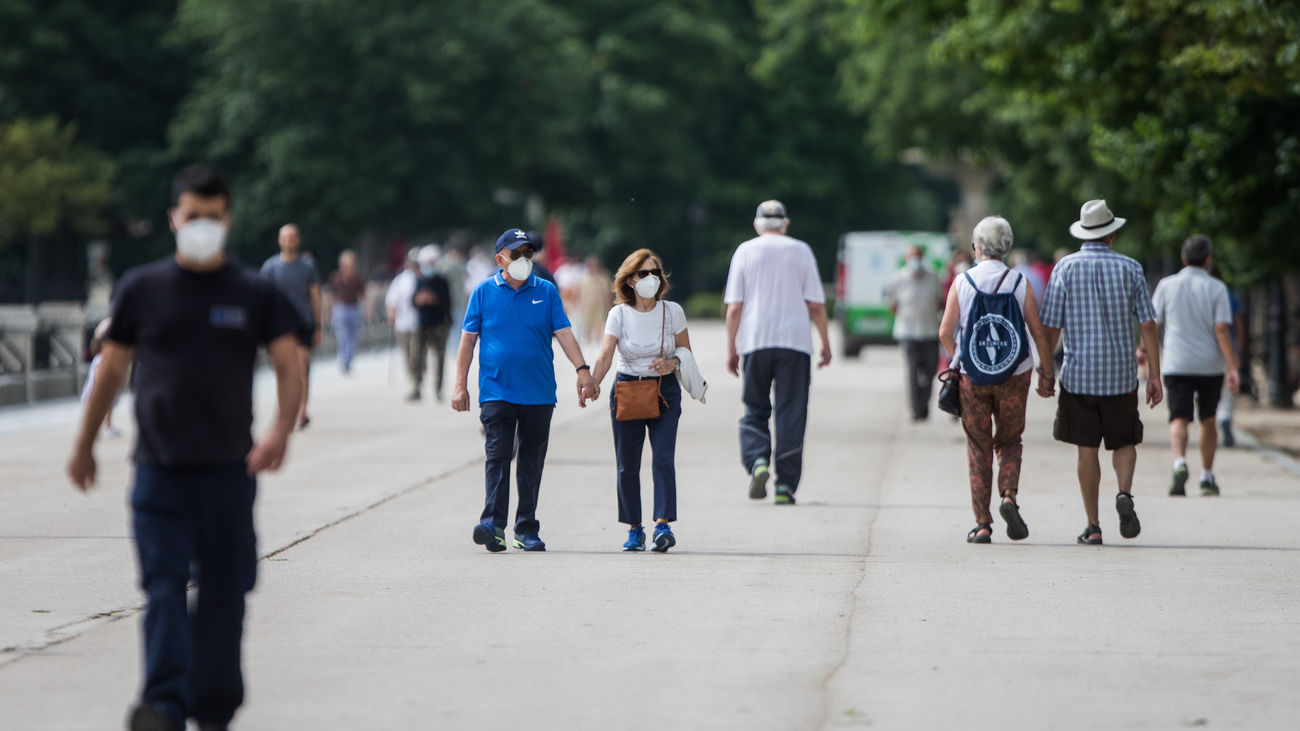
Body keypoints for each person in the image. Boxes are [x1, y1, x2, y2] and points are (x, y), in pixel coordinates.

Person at [66, 164, 304, 731]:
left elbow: (288, 363)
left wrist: (280, 431)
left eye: (212, 217)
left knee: (224, 593)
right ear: (174, 218)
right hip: (159, 470)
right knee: (164, 587)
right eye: (193, 215)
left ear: (229, 219)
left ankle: (214, 706)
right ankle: (164, 706)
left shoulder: (254, 292)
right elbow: (111, 370)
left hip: (228, 471)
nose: (203, 225)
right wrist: (84, 443)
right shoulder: (141, 288)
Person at [451, 228, 598, 552]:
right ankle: (492, 525)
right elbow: (467, 341)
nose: (523, 259)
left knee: (531, 463)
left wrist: (583, 370)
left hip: (538, 392)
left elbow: (564, 333)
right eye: (516, 254)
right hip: (496, 390)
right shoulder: (483, 292)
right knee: (498, 456)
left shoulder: (546, 290)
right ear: (500, 259)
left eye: (528, 254)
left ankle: (526, 528)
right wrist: (460, 385)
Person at [1040, 199, 1163, 545]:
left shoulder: (1065, 268)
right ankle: (1124, 493)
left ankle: (1093, 525)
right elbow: (1148, 325)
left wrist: (1046, 371)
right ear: (1111, 235)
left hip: (1079, 376)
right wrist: (1155, 375)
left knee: (1086, 449)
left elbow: (1051, 326)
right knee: (1124, 441)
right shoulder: (1131, 268)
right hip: (1121, 375)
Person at [939, 216, 1057, 543]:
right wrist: (1047, 373)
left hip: (972, 378)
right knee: (1009, 440)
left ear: (977, 247)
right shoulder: (1019, 282)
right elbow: (1038, 332)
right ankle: (1008, 496)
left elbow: (945, 332)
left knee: (978, 446)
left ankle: (982, 524)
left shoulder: (963, 281)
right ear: (1006, 247)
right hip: (1015, 374)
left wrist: (960, 358)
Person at [724, 200, 832, 505]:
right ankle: (785, 486)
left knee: (755, 407)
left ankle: (757, 460)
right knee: (792, 412)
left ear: (756, 225)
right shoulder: (801, 250)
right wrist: (825, 342)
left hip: (755, 340)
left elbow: (735, 308)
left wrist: (731, 348)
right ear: (785, 224)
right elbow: (816, 305)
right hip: (794, 342)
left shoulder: (745, 251)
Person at [590, 249, 694, 552]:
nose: (651, 278)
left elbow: (685, 352)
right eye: (643, 273)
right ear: (630, 280)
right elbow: (605, 354)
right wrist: (592, 382)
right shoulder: (619, 314)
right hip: (628, 390)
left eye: (655, 272)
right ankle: (634, 529)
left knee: (663, 458)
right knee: (627, 465)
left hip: (664, 391)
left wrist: (671, 363)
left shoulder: (672, 311)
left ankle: (663, 525)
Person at [1151, 235, 1240, 496]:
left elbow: (1152, 323)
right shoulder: (1217, 288)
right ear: (1208, 259)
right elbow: (1222, 329)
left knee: (1178, 418)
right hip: (1210, 365)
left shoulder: (1166, 285)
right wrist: (1232, 367)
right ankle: (1207, 476)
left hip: (1177, 362)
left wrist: (1143, 350)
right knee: (1209, 419)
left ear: (1183, 258)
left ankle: (1179, 462)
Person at [260, 223, 321, 428]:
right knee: (282, 371)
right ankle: (285, 410)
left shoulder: (307, 267)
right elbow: (262, 297)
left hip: (304, 323)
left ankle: (302, 411)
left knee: (302, 369)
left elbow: (315, 297)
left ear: (299, 239)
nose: (290, 240)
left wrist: (318, 326)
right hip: (279, 325)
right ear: (280, 241)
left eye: (293, 236)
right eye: (286, 237)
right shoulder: (270, 268)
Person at [886, 244, 944, 421]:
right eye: (912, 257)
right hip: (908, 332)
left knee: (930, 372)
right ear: (906, 259)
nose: (915, 260)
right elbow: (892, 304)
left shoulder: (933, 277)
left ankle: (924, 403)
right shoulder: (898, 278)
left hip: (929, 331)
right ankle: (916, 409)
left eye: (918, 256)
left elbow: (940, 302)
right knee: (912, 372)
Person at [412, 244, 452, 402]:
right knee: (417, 357)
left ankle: (438, 389)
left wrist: (435, 299)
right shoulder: (419, 280)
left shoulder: (442, 281)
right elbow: (412, 301)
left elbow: (448, 302)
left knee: (439, 358)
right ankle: (417, 386)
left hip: (439, 324)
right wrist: (419, 300)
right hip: (422, 323)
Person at [385, 248, 421, 398]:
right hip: (402, 324)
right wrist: (391, 315)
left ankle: (417, 381)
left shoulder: (421, 279)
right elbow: (391, 300)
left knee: (416, 354)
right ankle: (414, 380)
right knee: (407, 355)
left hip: (418, 323)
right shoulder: (400, 280)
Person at [81, 317, 122, 437]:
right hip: (100, 388)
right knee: (97, 408)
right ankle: (94, 429)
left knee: (108, 406)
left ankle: (107, 426)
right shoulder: (101, 359)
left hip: (106, 387)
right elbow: (98, 376)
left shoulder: (105, 358)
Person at [328, 249, 366, 373]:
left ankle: (349, 359)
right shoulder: (335, 277)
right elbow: (331, 295)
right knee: (343, 336)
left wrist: (368, 309)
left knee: (353, 336)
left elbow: (363, 294)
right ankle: (343, 359)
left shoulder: (357, 278)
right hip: (340, 308)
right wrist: (329, 310)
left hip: (354, 308)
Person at [577, 256, 614, 346]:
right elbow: (579, 291)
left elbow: (607, 292)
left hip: (599, 304)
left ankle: (597, 343)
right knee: (587, 324)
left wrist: (609, 305)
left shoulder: (603, 276)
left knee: (598, 324)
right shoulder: (584, 276)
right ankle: (588, 342)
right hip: (587, 305)